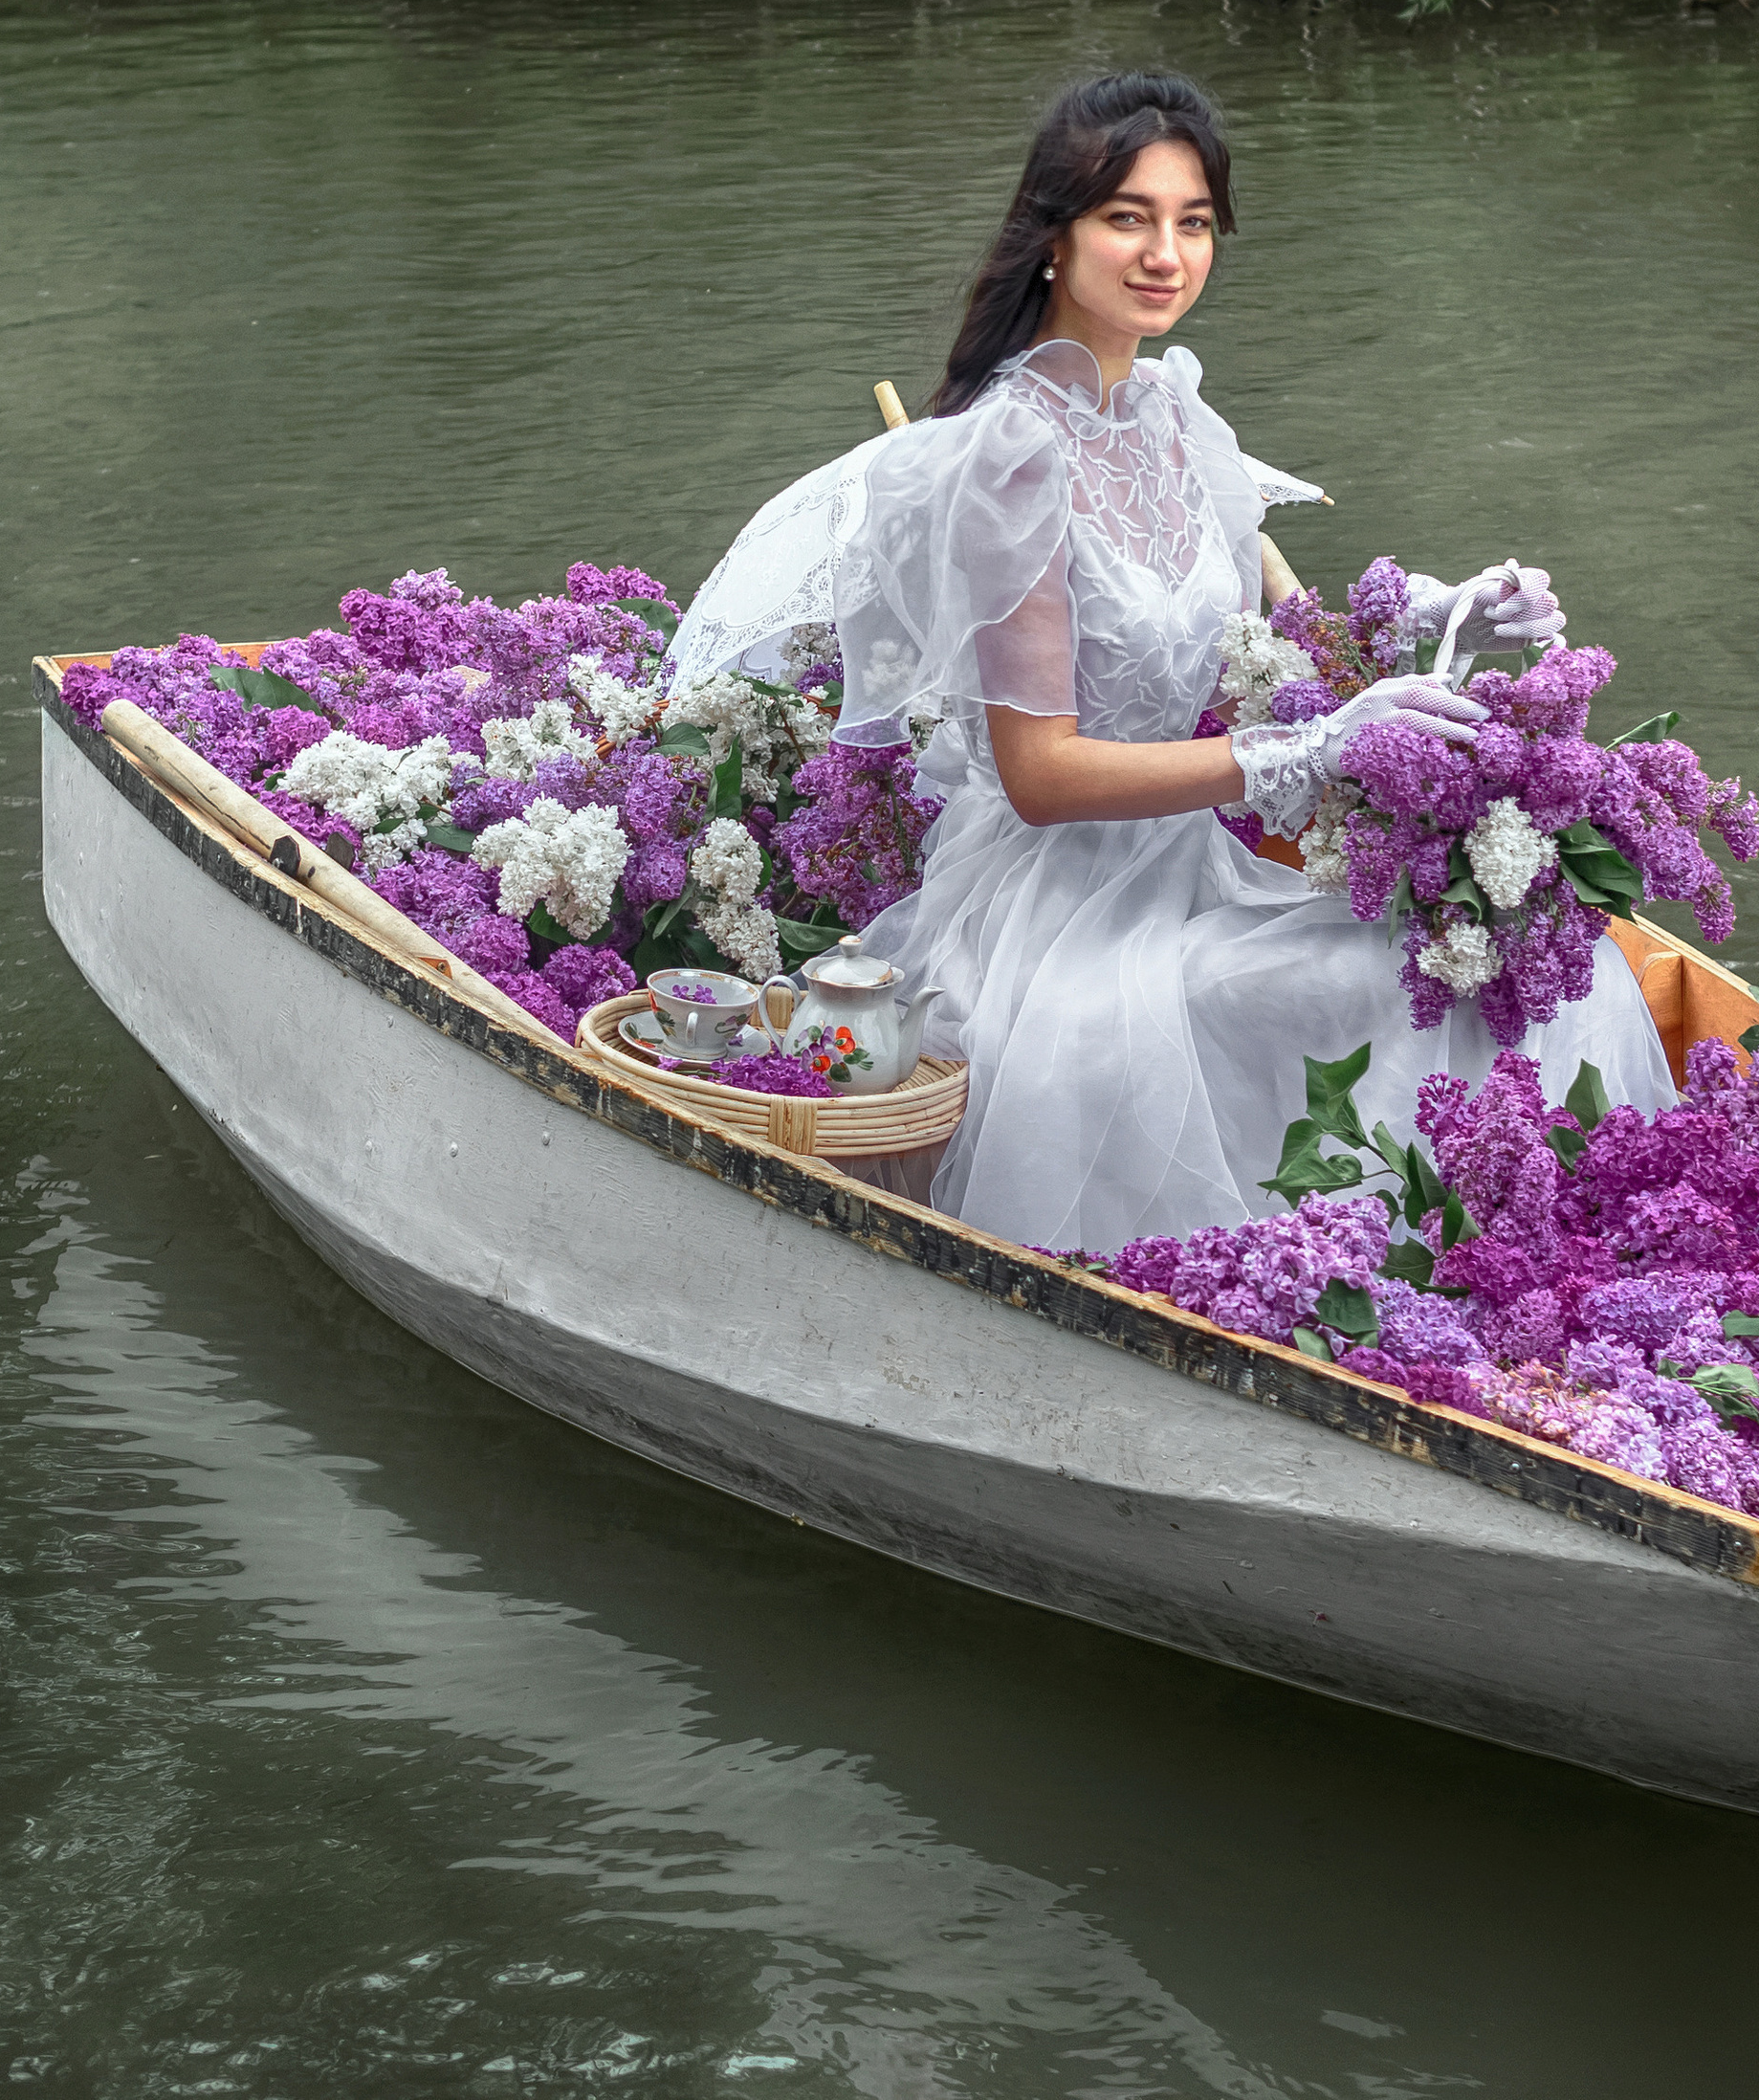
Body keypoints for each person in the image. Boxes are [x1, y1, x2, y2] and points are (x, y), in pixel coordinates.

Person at [671, 68, 1676, 1253]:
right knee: (1415, 983)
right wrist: (1299, 749)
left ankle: (1509, 1263)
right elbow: (1040, 776)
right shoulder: (1004, 460)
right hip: (1062, 917)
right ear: (1054, 237)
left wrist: (1440, 619)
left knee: (1537, 955)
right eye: (1127, 217)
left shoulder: (1173, 410)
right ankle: (1370, 1272)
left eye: (1193, 222)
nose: (1166, 252)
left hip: (1197, 869)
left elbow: (1299, 641)